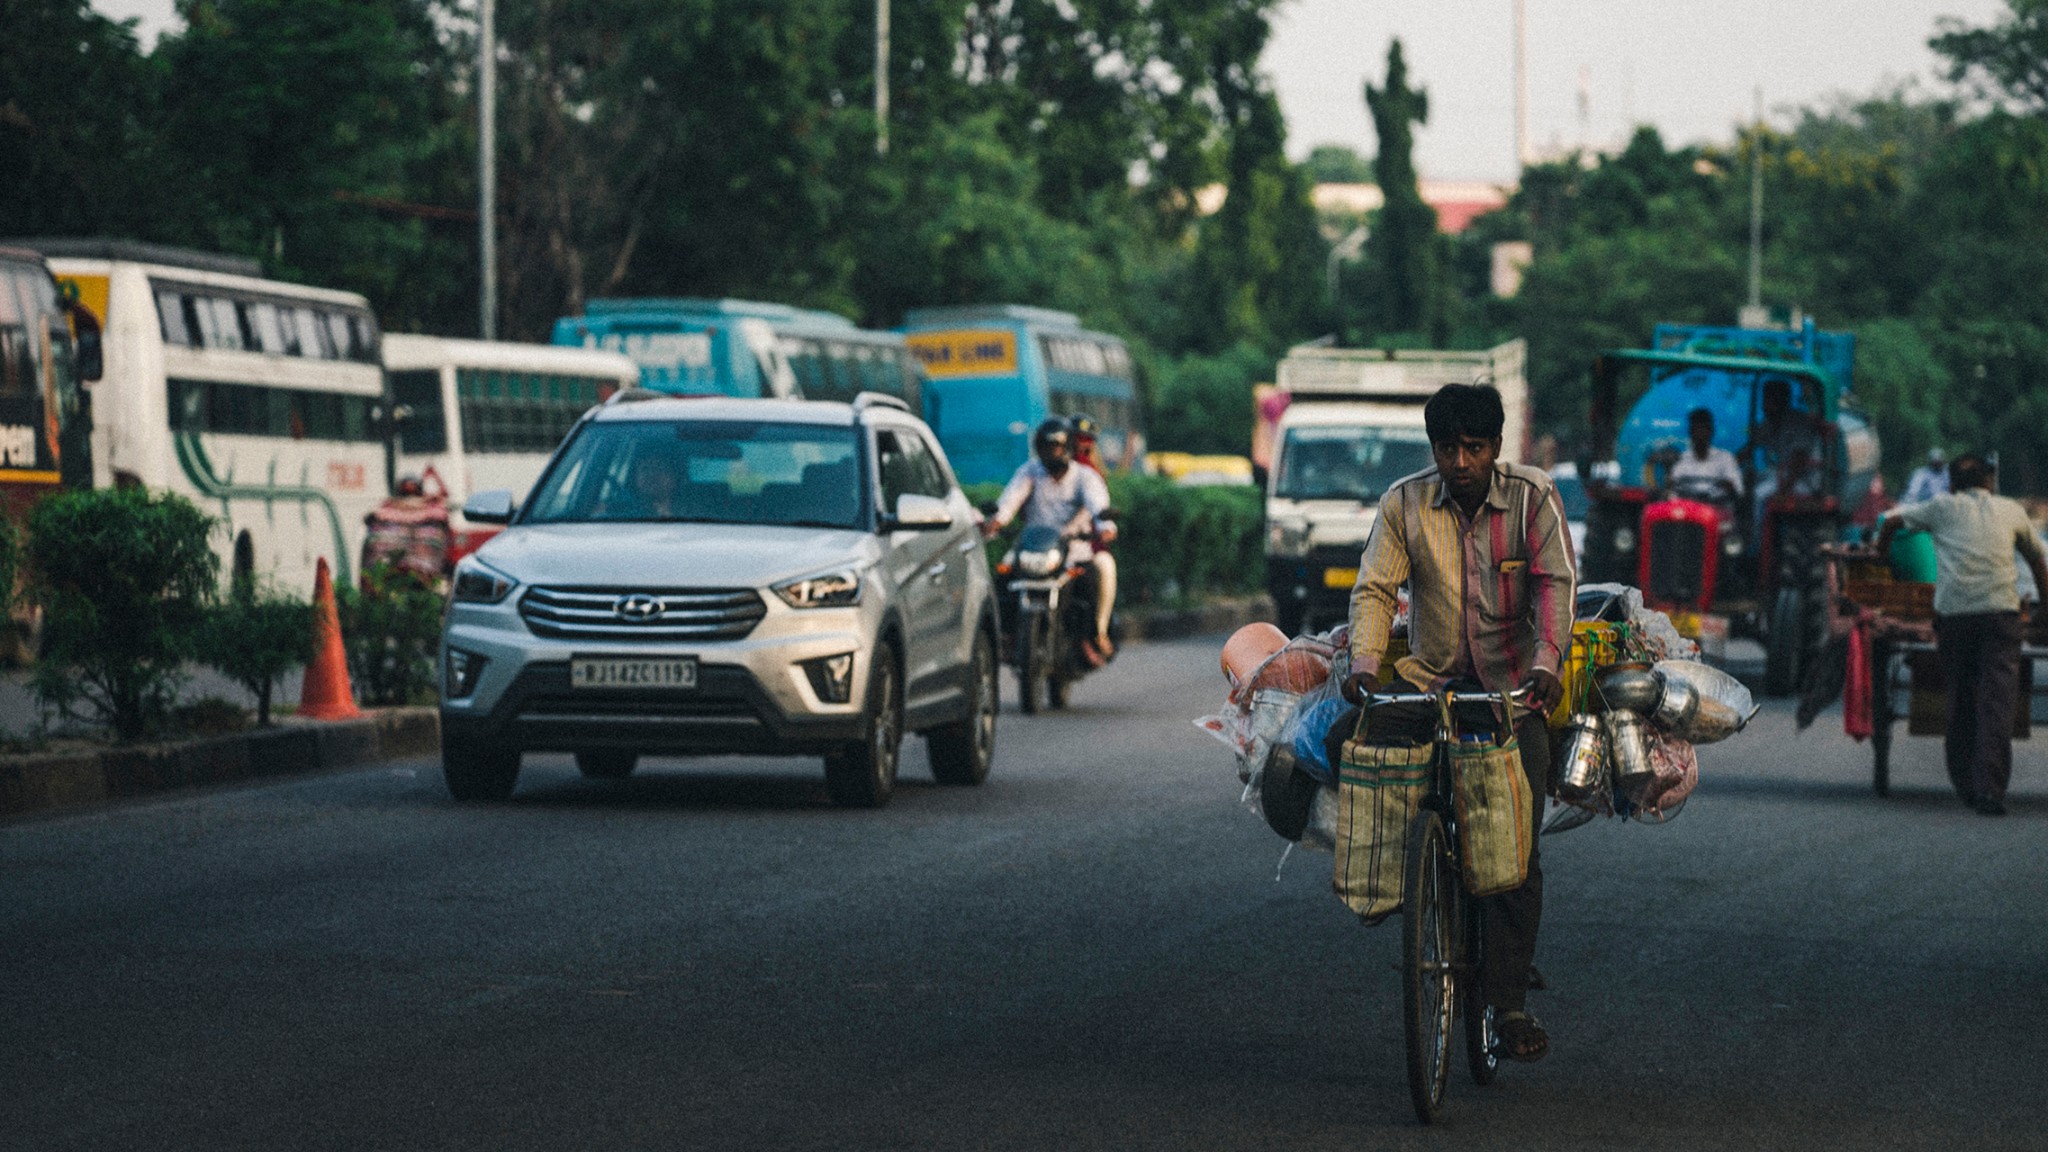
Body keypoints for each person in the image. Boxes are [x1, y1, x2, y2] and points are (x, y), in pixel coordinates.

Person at [1339, 383, 1576, 1063]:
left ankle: (1507, 1003)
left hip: (1511, 691)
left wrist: (1548, 663)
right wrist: (1363, 664)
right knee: (1354, 753)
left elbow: (1555, 584)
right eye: (1449, 448)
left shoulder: (1532, 497)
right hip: (1428, 685)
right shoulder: (1403, 503)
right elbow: (1376, 589)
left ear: (1496, 448)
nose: (1462, 461)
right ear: (1434, 449)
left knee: (1518, 842)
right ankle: (1394, 885)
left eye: (1475, 447)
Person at [1875, 453, 2048, 816]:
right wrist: (2045, 610)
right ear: (1990, 481)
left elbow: (1891, 522)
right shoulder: (2011, 510)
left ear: (1952, 484)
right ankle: (1990, 790)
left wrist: (1879, 557)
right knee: (1997, 703)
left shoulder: (1941, 506)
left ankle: (1965, 784)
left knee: (1960, 697)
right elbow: (2038, 561)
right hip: (2001, 617)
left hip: (1954, 618)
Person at [983, 417, 1120, 663]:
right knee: (1002, 578)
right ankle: (1006, 635)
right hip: (1033, 547)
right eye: (1046, 447)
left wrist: (1105, 527)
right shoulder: (1030, 472)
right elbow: (1010, 500)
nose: (1051, 453)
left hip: (1074, 548)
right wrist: (998, 520)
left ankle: (1092, 635)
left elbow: (1098, 505)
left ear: (1068, 448)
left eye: (1056, 447)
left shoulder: (1085, 477)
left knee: (1094, 579)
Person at [1667, 408, 1743, 503]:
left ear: (1711, 431)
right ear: (1690, 432)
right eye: (1696, 429)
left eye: (1703, 429)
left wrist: (1728, 486)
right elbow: (1673, 492)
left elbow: (1738, 490)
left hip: (1717, 508)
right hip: (1689, 509)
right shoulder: (1681, 459)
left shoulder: (1726, 458)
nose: (1700, 434)